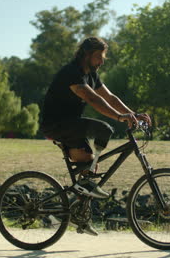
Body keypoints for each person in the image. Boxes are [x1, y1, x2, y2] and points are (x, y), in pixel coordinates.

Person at [41, 37, 151, 235]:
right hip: (56, 124)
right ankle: (84, 186)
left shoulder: (91, 75)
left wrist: (133, 114)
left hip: (70, 126)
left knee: (90, 165)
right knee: (105, 129)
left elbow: (110, 97)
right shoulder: (71, 73)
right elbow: (92, 98)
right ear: (87, 55)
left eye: (103, 57)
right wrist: (119, 117)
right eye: (99, 57)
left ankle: (80, 215)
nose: (102, 61)